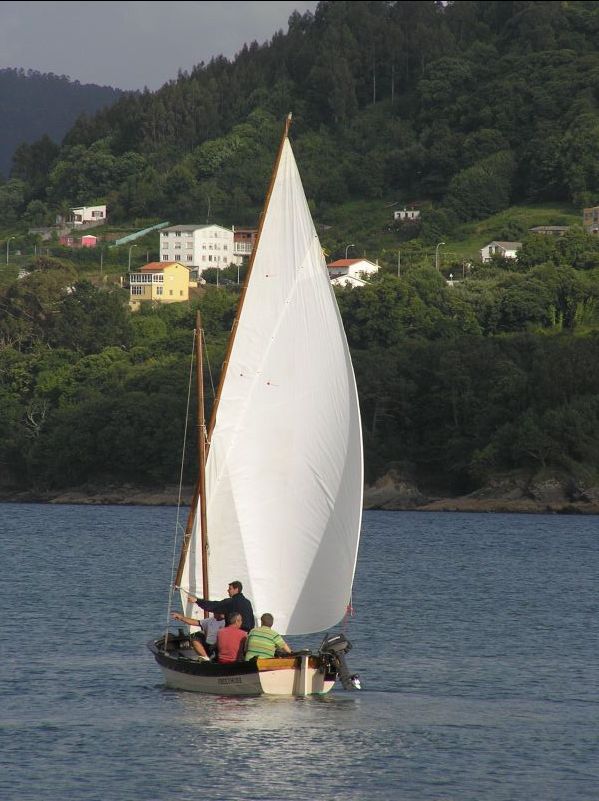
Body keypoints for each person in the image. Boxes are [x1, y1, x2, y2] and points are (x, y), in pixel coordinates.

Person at [187, 580, 255, 633]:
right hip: (247, 634)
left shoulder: (230, 602)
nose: (228, 590)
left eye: (230, 589)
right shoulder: (248, 602)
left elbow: (213, 606)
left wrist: (197, 601)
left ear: (236, 589)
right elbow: (252, 621)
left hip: (234, 633)